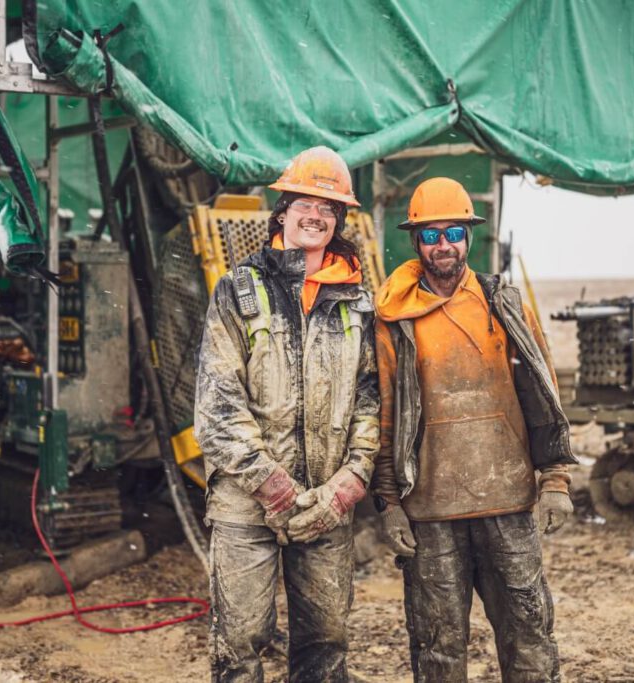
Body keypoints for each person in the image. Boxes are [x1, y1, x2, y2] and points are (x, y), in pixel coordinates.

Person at [372, 177, 577, 682]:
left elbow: (543, 395)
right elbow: (385, 415)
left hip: (508, 506)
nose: (443, 244)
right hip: (430, 514)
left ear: (469, 236)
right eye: (430, 234)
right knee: (438, 649)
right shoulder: (395, 317)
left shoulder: (501, 303)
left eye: (453, 232)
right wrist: (389, 502)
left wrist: (555, 480)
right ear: (415, 241)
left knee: (529, 638)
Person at [194, 146, 380, 682]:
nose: (315, 215)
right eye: (305, 203)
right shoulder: (238, 290)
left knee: (326, 642)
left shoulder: (358, 302)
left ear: (339, 219)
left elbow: (371, 398)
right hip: (245, 502)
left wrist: (349, 483)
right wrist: (274, 488)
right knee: (240, 644)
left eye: (328, 207)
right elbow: (218, 406)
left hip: (325, 503)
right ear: (282, 211)